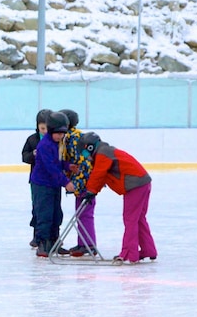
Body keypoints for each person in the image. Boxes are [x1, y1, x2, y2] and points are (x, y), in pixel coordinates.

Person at [69, 132, 157, 264]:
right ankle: (148, 250)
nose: (84, 155)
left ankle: (129, 253)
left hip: (135, 185)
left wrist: (90, 191)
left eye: (84, 151)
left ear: (90, 147)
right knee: (138, 218)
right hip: (142, 183)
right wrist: (93, 191)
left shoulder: (103, 153)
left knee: (130, 219)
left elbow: (99, 174)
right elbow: (102, 176)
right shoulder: (104, 152)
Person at [29, 110, 75, 258]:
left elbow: (59, 162)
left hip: (53, 185)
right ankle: (42, 243)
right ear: (51, 131)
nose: (61, 136)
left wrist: (68, 166)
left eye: (63, 133)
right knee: (45, 214)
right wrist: (66, 182)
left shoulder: (57, 143)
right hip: (42, 185)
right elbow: (51, 168)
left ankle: (55, 242)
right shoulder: (44, 145)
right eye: (58, 133)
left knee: (56, 214)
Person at [58, 109, 97, 257]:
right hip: (80, 180)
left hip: (84, 181)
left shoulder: (76, 137)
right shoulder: (68, 137)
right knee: (80, 213)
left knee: (85, 213)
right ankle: (83, 243)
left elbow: (84, 162)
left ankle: (89, 244)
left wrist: (81, 182)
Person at [22, 109, 51, 248]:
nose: (45, 131)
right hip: (36, 180)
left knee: (51, 210)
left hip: (51, 179)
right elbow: (24, 156)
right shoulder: (32, 139)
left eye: (47, 128)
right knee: (37, 208)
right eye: (42, 128)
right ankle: (36, 236)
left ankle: (50, 237)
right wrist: (32, 155)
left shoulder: (54, 139)